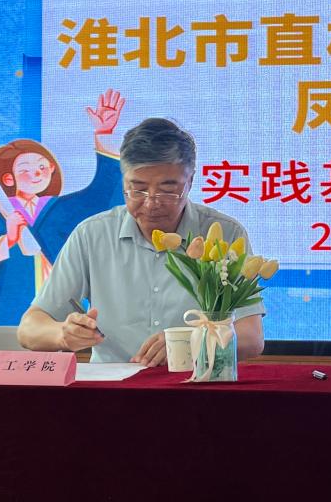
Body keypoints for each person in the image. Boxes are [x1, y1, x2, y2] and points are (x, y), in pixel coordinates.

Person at [17, 117, 265, 365]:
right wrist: (63, 334)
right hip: (112, 384)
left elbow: (251, 338)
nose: (151, 202)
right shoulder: (92, 234)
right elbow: (29, 328)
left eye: (168, 190)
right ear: (123, 180)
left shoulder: (224, 234)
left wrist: (189, 342)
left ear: (190, 181)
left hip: (192, 380)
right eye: (137, 189)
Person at [0, 90, 127, 327]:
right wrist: (7, 240)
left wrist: (103, 134)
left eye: (42, 167)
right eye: (25, 170)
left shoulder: (60, 209)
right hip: (6, 312)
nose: (36, 174)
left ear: (52, 169)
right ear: (8, 178)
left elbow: (105, 198)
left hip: (61, 316)